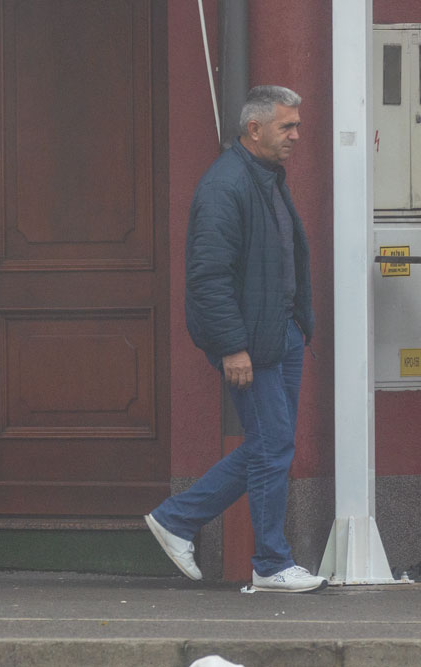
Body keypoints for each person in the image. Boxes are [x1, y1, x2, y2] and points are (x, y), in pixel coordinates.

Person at [144, 85, 326, 593]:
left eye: (296, 124)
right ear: (254, 128)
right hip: (251, 342)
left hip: (280, 331)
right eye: (287, 126)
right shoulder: (226, 185)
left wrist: (296, 325)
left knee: (272, 444)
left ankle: (178, 519)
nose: (296, 135)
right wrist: (232, 347)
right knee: (272, 445)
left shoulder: (265, 176)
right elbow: (208, 277)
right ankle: (270, 562)